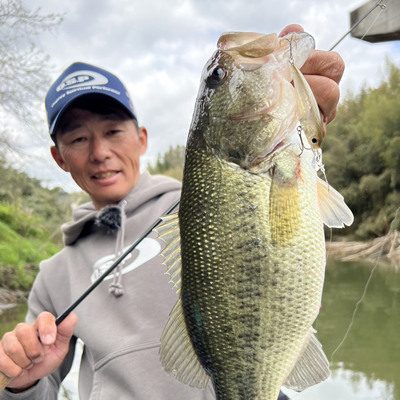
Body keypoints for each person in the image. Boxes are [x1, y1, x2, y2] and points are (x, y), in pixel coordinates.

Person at [0, 24, 344, 400]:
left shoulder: (197, 206)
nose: (100, 152)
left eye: (113, 131)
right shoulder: (52, 277)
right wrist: (22, 383)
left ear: (141, 139)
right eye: (79, 138)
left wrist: (305, 119)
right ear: (59, 158)